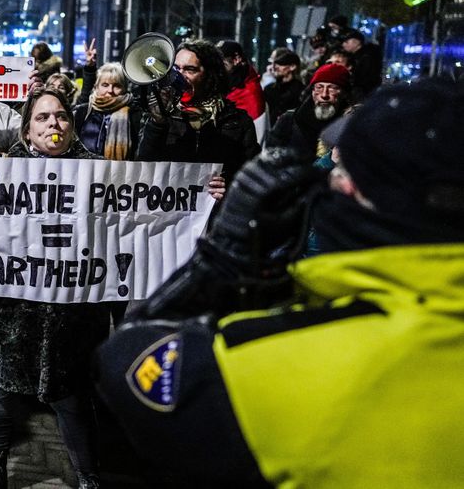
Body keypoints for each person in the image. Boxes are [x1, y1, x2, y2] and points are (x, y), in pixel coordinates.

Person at [95, 79, 464, 487]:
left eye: (343, 168)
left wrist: (224, 256)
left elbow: (126, 372)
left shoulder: (276, 361)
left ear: (354, 190)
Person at [0, 88, 107, 489]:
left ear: (72, 124)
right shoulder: (1, 173)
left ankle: (87, 474)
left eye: (61, 116)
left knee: (74, 400)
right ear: (27, 130)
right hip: (8, 314)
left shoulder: (101, 172)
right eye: (43, 118)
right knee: (2, 393)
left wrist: (204, 194)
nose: (54, 124)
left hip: (73, 315)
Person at [137, 39, 259, 195]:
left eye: (190, 69)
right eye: (175, 68)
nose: (179, 76)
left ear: (210, 75)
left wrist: (229, 187)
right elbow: (142, 167)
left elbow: (253, 175)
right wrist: (157, 123)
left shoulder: (237, 121)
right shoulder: (160, 115)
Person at [265, 63, 351, 159]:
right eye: (319, 87)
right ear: (312, 91)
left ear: (344, 93)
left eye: (332, 88)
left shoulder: (351, 124)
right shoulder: (289, 120)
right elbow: (269, 158)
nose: (324, 95)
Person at [73, 62, 141, 160]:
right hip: (85, 170)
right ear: (96, 87)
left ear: (124, 89)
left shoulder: (134, 114)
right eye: (105, 85)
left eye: (117, 85)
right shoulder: (83, 111)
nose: (110, 90)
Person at [217, 40, 267, 144]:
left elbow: (257, 136)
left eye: (221, 60)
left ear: (236, 59)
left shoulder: (251, 93)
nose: (217, 65)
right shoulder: (227, 85)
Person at [262, 49, 305, 126]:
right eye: (275, 63)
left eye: (281, 64)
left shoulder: (302, 92)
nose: (275, 67)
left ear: (292, 66)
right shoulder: (269, 89)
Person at [340, 29, 383, 102]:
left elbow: (364, 80)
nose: (343, 44)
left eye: (347, 42)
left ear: (357, 42)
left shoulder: (367, 57)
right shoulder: (356, 57)